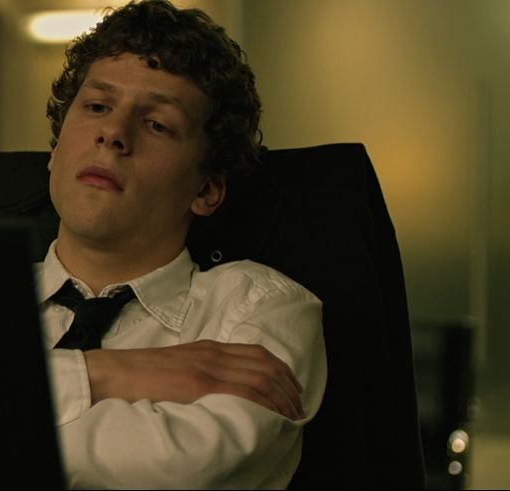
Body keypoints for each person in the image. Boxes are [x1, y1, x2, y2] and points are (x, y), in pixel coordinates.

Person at [36, 1, 327, 488]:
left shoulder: (258, 308)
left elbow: (181, 469)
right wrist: (104, 372)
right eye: (97, 106)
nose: (112, 133)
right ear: (54, 151)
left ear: (206, 189)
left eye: (157, 125)